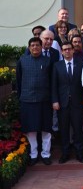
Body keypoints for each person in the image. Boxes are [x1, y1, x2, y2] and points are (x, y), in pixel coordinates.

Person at [16, 37, 53, 166]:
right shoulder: (22, 61)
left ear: (41, 47)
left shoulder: (48, 61)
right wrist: (20, 97)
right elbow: (18, 81)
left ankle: (46, 154)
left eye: (37, 45)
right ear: (29, 47)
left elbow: (52, 82)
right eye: (32, 45)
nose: (35, 47)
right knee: (31, 130)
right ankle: (33, 155)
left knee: (46, 130)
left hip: (45, 100)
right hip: (27, 100)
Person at [52, 42, 83, 164]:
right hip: (62, 103)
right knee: (64, 130)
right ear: (61, 51)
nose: (67, 51)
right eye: (65, 49)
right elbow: (54, 85)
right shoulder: (57, 66)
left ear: (73, 51)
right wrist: (55, 101)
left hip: (78, 102)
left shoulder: (81, 65)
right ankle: (65, 153)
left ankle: (79, 153)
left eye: (69, 49)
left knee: (78, 129)